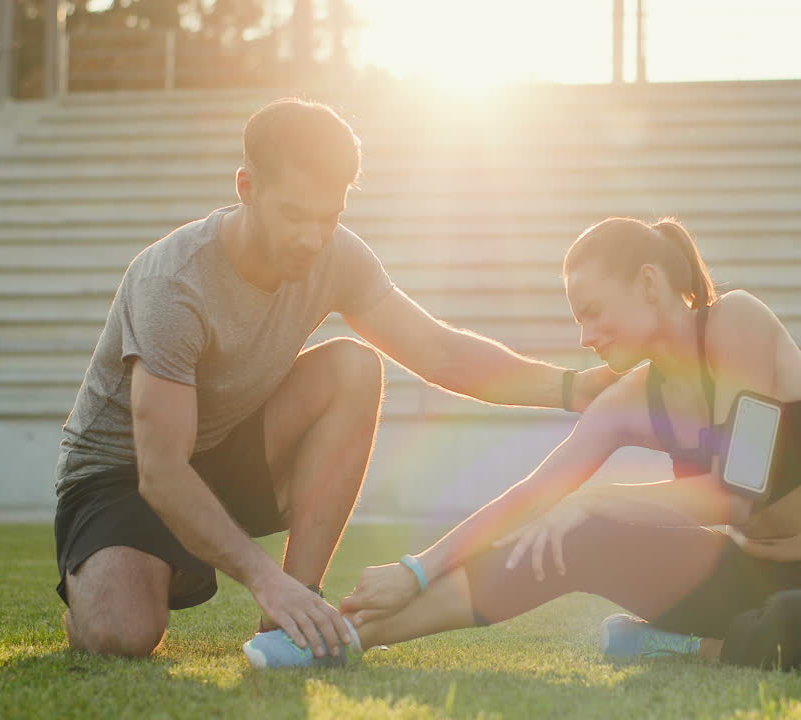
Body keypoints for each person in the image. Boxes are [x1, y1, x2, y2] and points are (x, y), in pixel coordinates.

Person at [52, 98, 618, 662]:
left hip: (227, 452)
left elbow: (439, 352)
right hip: (124, 475)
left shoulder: (334, 253)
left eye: (329, 217)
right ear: (246, 187)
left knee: (354, 366)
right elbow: (162, 471)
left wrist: (572, 389)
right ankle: (117, 579)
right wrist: (262, 576)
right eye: (295, 214)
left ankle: (294, 612)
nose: (313, 237)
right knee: (122, 636)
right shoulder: (173, 284)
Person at [316, 216, 801, 671]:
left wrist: (596, 500)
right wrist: (415, 570)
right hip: (734, 580)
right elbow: (532, 495)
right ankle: (348, 636)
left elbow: (736, 496)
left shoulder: (738, 323)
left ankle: (681, 647)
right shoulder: (626, 401)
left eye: (592, 312)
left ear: (649, 285)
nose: (585, 337)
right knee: (572, 534)